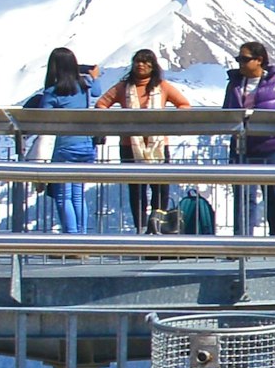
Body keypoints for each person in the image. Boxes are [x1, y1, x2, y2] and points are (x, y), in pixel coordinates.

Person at [103, 48, 192, 232]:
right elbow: (102, 104)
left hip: (158, 145)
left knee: (160, 187)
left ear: (153, 66)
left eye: (146, 61)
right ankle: (140, 227)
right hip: (130, 146)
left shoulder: (163, 87)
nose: (141, 65)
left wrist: (167, 123)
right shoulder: (122, 87)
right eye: (138, 61)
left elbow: (184, 104)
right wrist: (118, 123)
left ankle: (158, 224)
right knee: (136, 189)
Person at [18, 45, 103, 234]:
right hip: (85, 146)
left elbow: (42, 118)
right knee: (78, 195)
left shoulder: (53, 92)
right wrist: (93, 74)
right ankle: (82, 238)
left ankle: (72, 240)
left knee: (63, 196)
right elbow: (97, 90)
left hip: (64, 147)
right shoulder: (85, 86)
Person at [222, 40, 275, 238]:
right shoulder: (234, 83)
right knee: (243, 196)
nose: (240, 63)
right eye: (239, 59)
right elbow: (226, 111)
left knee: (274, 195)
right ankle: (242, 243)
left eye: (245, 59)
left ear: (259, 60)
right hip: (242, 146)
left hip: (273, 146)